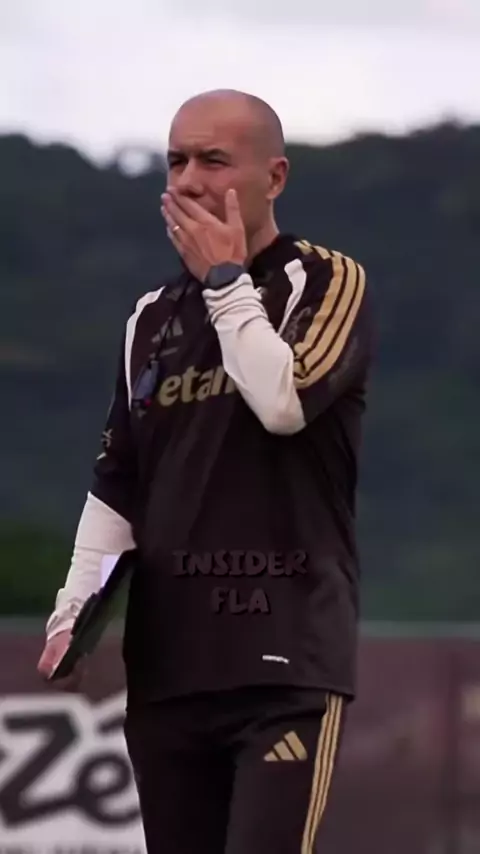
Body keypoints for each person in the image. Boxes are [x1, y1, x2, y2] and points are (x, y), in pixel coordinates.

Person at [38, 89, 374, 853]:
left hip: (286, 661)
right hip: (170, 670)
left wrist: (226, 283)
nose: (189, 180)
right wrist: (72, 612)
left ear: (274, 177)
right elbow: (118, 481)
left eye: (213, 161)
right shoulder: (150, 318)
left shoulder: (325, 281)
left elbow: (283, 403)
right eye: (176, 161)